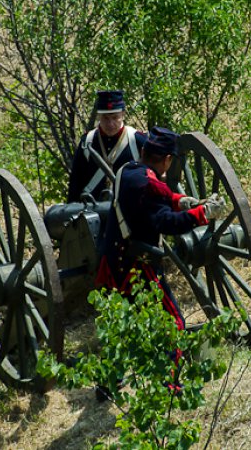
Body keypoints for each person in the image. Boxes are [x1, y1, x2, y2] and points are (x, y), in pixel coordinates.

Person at [93, 126, 226, 402]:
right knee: (174, 322)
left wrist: (185, 201)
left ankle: (107, 383)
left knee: (119, 325)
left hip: (113, 261)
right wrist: (203, 213)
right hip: (138, 267)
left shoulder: (129, 170)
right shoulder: (149, 185)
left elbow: (160, 196)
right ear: (166, 160)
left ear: (143, 152)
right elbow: (167, 222)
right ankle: (169, 386)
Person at [67, 90, 148, 203]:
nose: (110, 124)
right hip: (93, 210)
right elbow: (76, 183)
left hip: (129, 210)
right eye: (105, 118)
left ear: (123, 114)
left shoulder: (137, 140)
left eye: (115, 118)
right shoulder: (87, 142)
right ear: (99, 116)